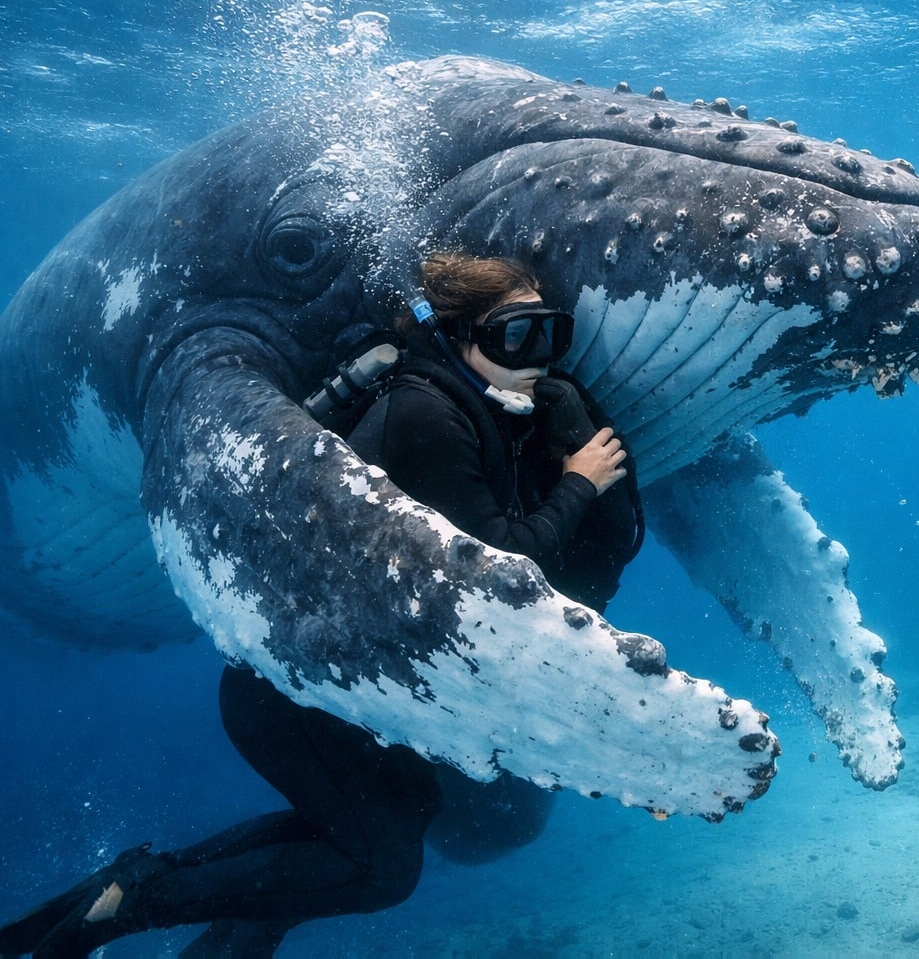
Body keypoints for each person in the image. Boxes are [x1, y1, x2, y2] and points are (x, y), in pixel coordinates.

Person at [0, 254, 642, 957]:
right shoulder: (425, 414)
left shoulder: (486, 409)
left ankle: (151, 901)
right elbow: (505, 566)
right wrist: (579, 483)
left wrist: (569, 432)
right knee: (379, 869)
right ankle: (133, 906)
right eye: (515, 337)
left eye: (551, 334)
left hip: (346, 685)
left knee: (384, 822)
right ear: (459, 337)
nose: (537, 358)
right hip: (294, 696)